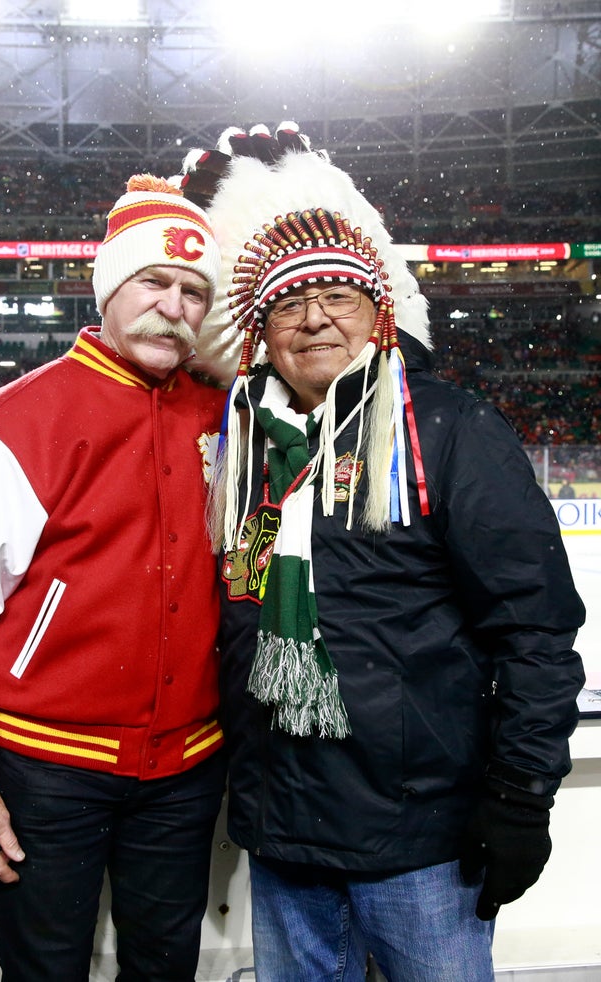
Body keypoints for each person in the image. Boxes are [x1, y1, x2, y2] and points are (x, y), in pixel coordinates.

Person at [179, 126, 587, 982]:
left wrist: (518, 797)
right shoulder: (242, 448)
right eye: (290, 302)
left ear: (380, 311)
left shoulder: (450, 431)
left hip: (421, 844)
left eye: (338, 294)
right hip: (285, 835)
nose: (315, 316)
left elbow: (536, 634)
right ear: (262, 329)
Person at [0, 174, 227, 982]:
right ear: (110, 287)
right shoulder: (10, 425)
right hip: (48, 768)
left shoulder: (225, 414)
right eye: (154, 281)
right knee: (45, 968)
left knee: (166, 966)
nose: (173, 305)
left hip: (187, 767)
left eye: (192, 290)